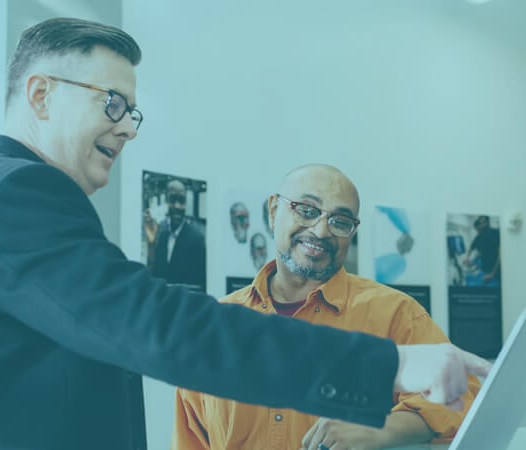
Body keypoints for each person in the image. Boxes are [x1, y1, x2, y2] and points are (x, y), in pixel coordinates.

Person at [0, 18, 490, 450]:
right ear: (40, 94)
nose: (127, 129)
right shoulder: (15, 194)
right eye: (113, 104)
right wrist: (388, 366)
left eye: (133, 111)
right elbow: (163, 328)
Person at [172, 165, 482, 450]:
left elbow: (465, 397)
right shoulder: (213, 327)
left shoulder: (395, 314)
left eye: (340, 221)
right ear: (273, 210)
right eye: (306, 210)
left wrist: (384, 427)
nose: (321, 231)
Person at [143, 179, 206, 290]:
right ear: (166, 202)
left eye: (181, 201)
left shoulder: (197, 240)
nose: (177, 206)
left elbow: (200, 286)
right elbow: (154, 277)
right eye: (172, 200)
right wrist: (151, 245)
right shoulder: (162, 237)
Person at [463, 215, 501, 286]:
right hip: (485, 271)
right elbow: (472, 248)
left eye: (483, 222)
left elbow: (500, 255)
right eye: (480, 223)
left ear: (488, 222)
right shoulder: (479, 236)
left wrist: (492, 274)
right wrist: (467, 258)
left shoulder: (496, 233)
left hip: (495, 272)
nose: (482, 225)